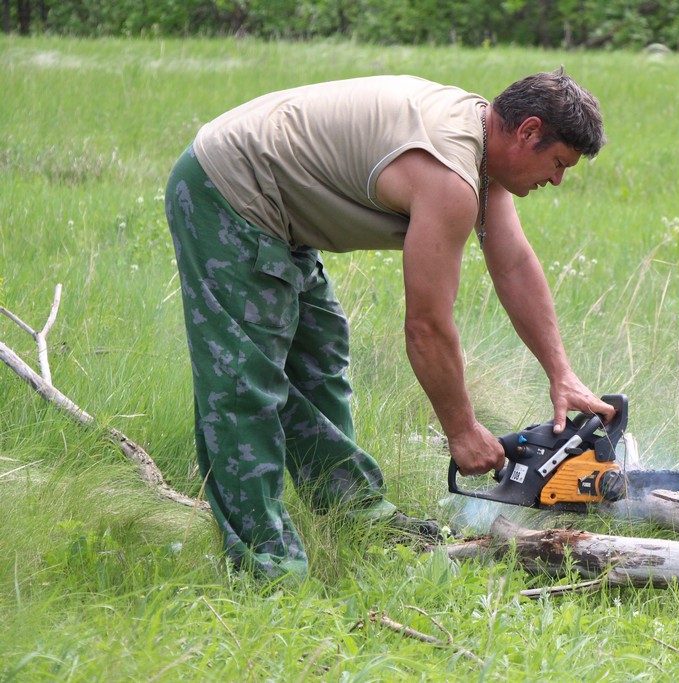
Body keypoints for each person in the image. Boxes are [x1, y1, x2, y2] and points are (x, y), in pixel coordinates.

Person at [164, 68, 615, 579]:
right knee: (245, 383)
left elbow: (512, 265)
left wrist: (562, 374)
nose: (556, 180)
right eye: (557, 164)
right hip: (228, 189)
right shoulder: (450, 175)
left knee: (319, 358)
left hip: (278, 204)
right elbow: (426, 328)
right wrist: (462, 431)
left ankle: (354, 513)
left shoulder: (483, 143)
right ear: (528, 131)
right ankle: (266, 566)